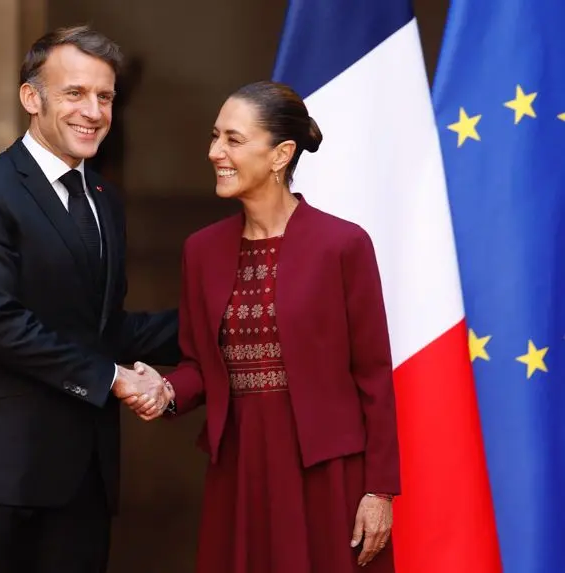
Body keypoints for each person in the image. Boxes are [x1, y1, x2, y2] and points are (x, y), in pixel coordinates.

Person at [0, 25, 179, 573]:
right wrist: (115, 379)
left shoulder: (105, 200)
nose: (93, 111)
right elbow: (0, 324)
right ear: (31, 98)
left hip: (83, 480)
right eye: (74, 93)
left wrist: (226, 325)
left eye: (105, 96)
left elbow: (101, 329)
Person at [134, 81, 400, 573]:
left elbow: (374, 376)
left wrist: (379, 491)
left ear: (281, 154)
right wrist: (165, 390)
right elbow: (200, 365)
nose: (215, 152)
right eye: (215, 136)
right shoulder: (201, 250)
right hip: (240, 468)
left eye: (233, 140)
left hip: (328, 472)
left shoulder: (343, 245)